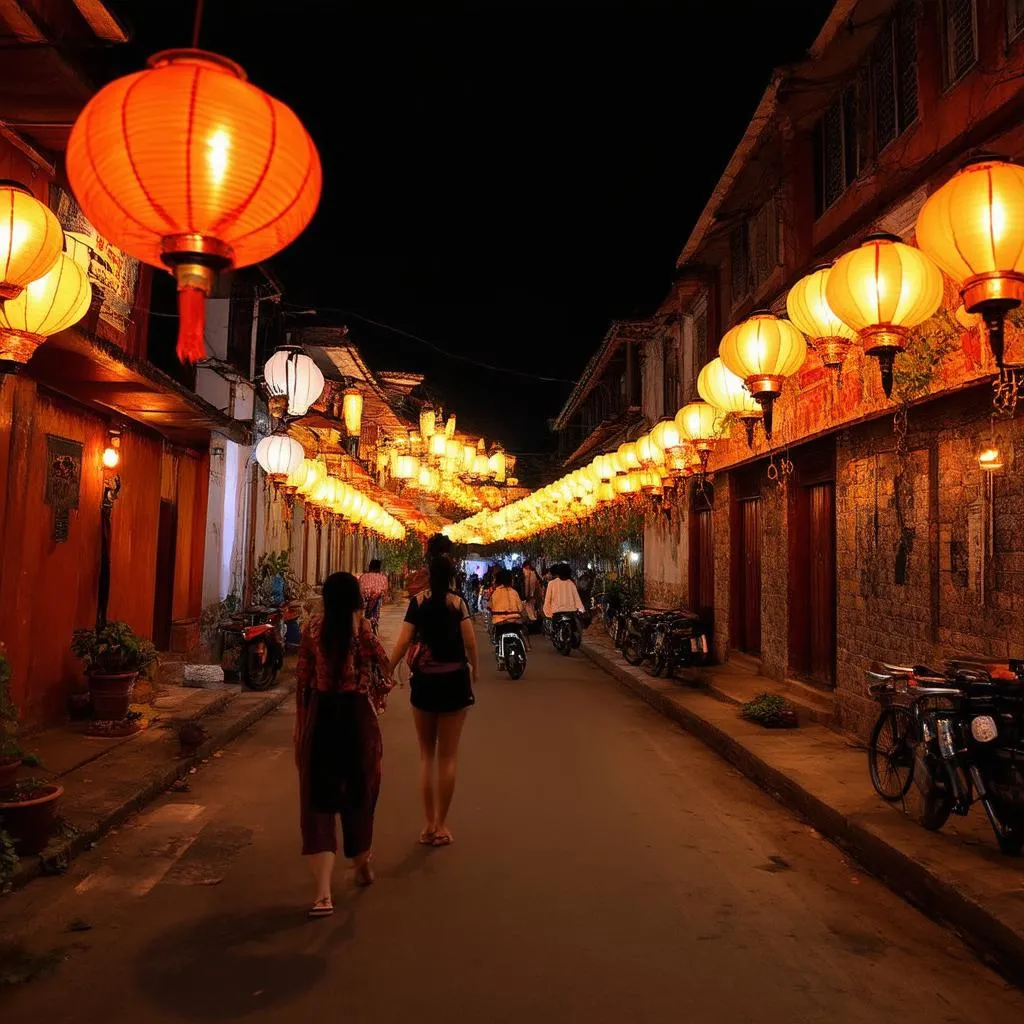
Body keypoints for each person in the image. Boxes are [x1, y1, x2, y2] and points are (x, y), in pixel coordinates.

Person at [295, 572, 393, 917]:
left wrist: (301, 726)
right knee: (360, 793)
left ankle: (323, 894)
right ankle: (362, 863)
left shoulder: (311, 629)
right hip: (356, 718)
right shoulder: (362, 630)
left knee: (318, 800)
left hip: (321, 715)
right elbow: (384, 667)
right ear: (356, 600)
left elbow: (303, 679)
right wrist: (373, 689)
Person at [389, 556, 478, 847]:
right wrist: (474, 669)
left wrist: (386, 671)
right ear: (452, 577)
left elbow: (403, 642)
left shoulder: (418, 603)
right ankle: (441, 825)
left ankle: (428, 824)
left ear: (428, 576)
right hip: (454, 681)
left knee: (427, 755)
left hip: (425, 682)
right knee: (448, 757)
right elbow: (470, 642)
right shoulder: (458, 603)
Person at [543, 562, 586, 647]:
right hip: (570, 612)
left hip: (557, 612)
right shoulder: (571, 583)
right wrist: (582, 609)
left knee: (553, 629)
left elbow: (547, 600)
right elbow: (577, 599)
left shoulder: (551, 583)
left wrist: (547, 612)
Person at [489, 568, 529, 649]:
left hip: (500, 622)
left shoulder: (495, 593)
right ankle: (527, 646)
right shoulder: (514, 592)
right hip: (515, 622)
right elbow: (520, 608)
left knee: (496, 636)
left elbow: (490, 607)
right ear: (511, 580)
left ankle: (498, 647)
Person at [359, 558, 389, 632]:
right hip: (376, 601)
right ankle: (374, 624)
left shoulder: (363, 577)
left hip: (364, 602)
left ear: (370, 567)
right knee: (377, 602)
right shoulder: (383, 577)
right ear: (379, 567)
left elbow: (359, 589)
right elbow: (385, 591)